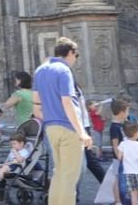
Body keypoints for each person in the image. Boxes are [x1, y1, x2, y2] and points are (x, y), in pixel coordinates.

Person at [33, 37, 91, 205]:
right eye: (76, 54)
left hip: (50, 127)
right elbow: (68, 102)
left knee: (58, 174)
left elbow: (36, 106)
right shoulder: (64, 70)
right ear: (70, 53)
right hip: (68, 128)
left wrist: (51, 116)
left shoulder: (40, 70)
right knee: (69, 177)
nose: (75, 59)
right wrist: (81, 131)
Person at [116, 122, 138, 205]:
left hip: (128, 173)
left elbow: (119, 157)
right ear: (136, 133)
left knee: (133, 194)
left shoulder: (122, 144)